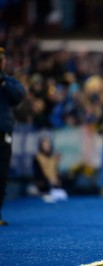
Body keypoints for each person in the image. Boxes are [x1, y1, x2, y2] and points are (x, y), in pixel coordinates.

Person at [0, 47, 26, 225]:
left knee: (1, 174)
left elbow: (19, 96)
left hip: (3, 133)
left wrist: (2, 82)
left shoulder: (8, 81)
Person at [32, 135, 68, 203]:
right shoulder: (37, 158)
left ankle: (54, 191)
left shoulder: (53, 157)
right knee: (43, 186)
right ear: (41, 146)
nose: (47, 147)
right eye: (45, 145)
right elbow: (37, 173)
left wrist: (57, 179)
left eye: (48, 145)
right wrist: (48, 180)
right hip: (44, 182)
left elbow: (56, 171)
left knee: (65, 185)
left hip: (54, 182)